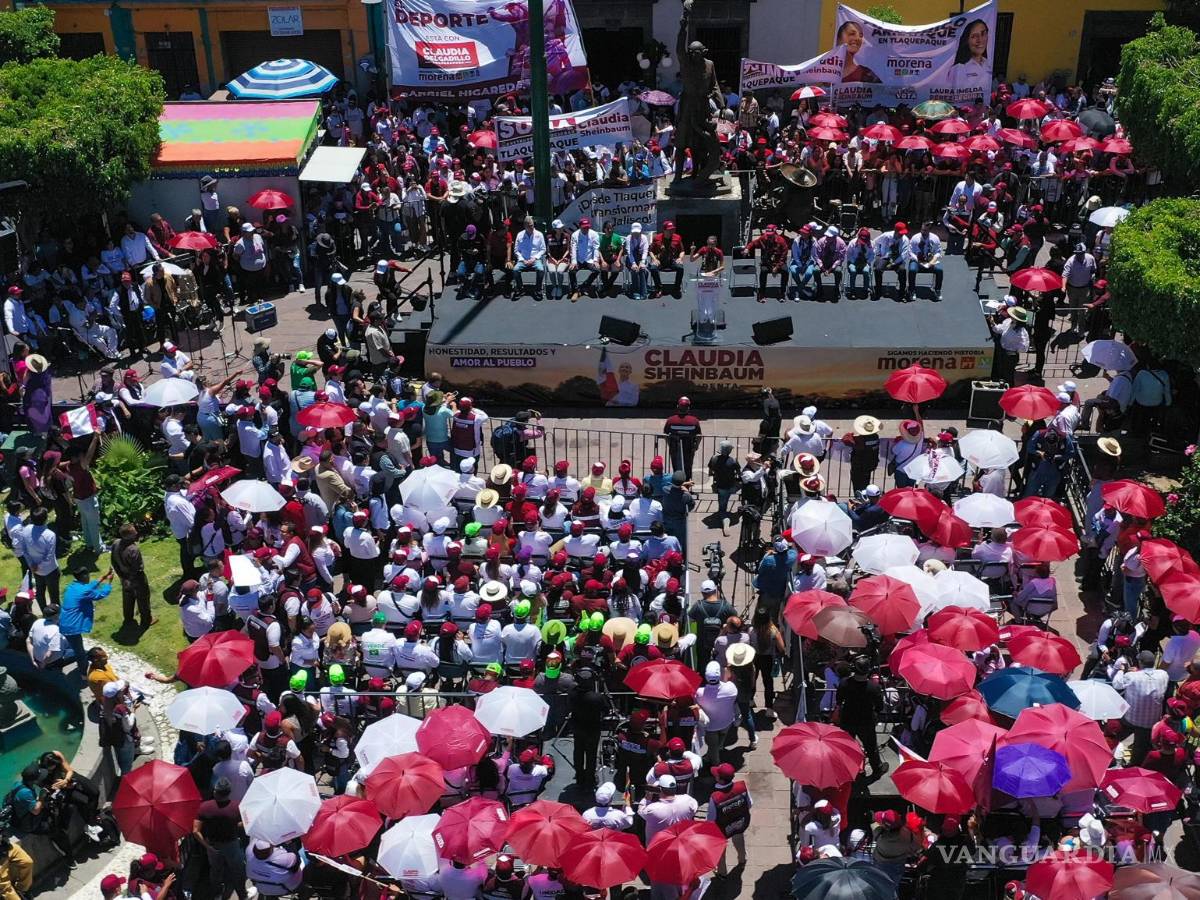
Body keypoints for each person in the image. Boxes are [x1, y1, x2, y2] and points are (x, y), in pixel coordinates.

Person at [1112, 650, 1169, 765]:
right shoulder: (1164, 674)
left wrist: (1122, 670)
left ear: (1140, 663)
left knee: (1116, 723)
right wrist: (1139, 672)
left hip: (1130, 719)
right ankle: (1134, 764)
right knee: (1140, 746)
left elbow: (1116, 684)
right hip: (1151, 722)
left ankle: (1113, 743)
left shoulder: (1131, 676)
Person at [836, 656, 888, 777]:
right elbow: (879, 707)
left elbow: (838, 700)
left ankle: (846, 769)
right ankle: (877, 769)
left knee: (846, 747)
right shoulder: (874, 688)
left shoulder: (844, 683)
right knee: (871, 747)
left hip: (847, 720)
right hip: (866, 722)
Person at [59, 565, 114, 669]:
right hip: (71, 627)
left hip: (65, 623)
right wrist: (109, 583)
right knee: (79, 652)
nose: (89, 577)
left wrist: (104, 577)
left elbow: (89, 587)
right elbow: (101, 594)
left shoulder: (73, 586)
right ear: (84, 576)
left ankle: (74, 653)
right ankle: (84, 672)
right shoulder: (84, 591)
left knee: (76, 647)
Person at [708, 762, 752, 875]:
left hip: (722, 829)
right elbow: (749, 804)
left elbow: (711, 819)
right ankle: (742, 859)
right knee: (739, 840)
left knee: (720, 851)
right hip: (739, 823)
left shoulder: (715, 797)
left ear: (721, 780)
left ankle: (722, 873)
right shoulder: (742, 786)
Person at [694, 661, 738, 767]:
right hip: (726, 723)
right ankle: (714, 753)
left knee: (713, 747)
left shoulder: (699, 693)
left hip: (710, 727)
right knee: (719, 742)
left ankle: (716, 766)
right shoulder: (731, 688)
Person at [746, 224, 789, 302]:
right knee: (763, 271)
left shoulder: (781, 241)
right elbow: (753, 243)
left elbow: (783, 256)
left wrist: (777, 267)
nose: (769, 237)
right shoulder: (763, 238)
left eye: (771, 235)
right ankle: (762, 293)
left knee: (785, 271)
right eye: (768, 235)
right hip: (767, 262)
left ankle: (782, 293)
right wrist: (747, 249)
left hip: (778, 263)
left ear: (775, 233)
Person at [948, 18, 990, 95]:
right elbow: (955, 96)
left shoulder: (988, 64)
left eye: (983, 34)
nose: (980, 40)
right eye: (974, 36)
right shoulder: (959, 67)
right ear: (966, 40)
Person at [872, 222, 910, 300]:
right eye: (900, 233)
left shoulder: (905, 240)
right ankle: (878, 291)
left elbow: (903, 255)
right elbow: (875, 242)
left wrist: (893, 263)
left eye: (903, 233)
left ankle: (902, 293)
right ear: (895, 231)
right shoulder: (886, 235)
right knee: (878, 269)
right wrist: (878, 253)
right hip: (885, 256)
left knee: (902, 270)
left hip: (898, 258)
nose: (901, 235)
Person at [511, 215, 546, 300]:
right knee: (515, 270)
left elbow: (543, 249)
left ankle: (538, 289)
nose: (531, 227)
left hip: (535, 259)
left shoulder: (539, 234)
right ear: (525, 226)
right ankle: (520, 288)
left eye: (532, 225)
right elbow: (516, 250)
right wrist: (522, 260)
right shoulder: (520, 235)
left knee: (541, 269)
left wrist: (535, 258)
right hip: (523, 259)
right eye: (529, 225)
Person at [908, 221, 944, 300]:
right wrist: (918, 260)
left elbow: (938, 251)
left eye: (925, 230)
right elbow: (910, 252)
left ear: (929, 231)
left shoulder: (935, 238)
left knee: (939, 270)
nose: (922, 232)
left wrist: (933, 260)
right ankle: (911, 290)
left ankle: (937, 290)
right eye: (922, 229)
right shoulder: (915, 238)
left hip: (930, 260)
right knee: (912, 270)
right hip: (917, 260)